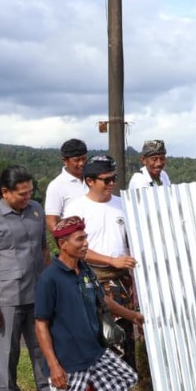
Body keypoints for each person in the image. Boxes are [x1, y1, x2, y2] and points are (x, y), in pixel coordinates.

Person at [35, 216, 142, 391]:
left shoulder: (84, 270)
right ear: (63, 244)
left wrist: (133, 316)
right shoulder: (50, 278)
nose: (86, 244)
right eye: (80, 239)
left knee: (128, 378)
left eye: (85, 238)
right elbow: (41, 325)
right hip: (69, 362)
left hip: (95, 353)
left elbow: (103, 302)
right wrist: (54, 366)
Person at [0, 165, 52, 391]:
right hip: (7, 298)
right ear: (5, 192)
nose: (27, 197)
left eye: (30, 192)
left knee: (42, 348)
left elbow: (44, 251)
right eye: (22, 193)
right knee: (7, 353)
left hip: (37, 293)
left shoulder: (36, 210)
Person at [62, 156, 139, 370]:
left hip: (121, 280)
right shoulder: (76, 209)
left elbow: (132, 242)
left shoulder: (122, 205)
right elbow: (74, 249)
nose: (111, 183)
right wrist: (110, 260)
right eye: (106, 180)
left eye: (114, 178)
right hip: (92, 279)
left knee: (123, 336)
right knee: (99, 336)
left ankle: (126, 385)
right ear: (90, 181)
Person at [44, 139, 89, 232]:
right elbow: (51, 221)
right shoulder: (56, 186)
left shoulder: (94, 180)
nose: (81, 163)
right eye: (76, 160)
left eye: (84, 159)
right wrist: (67, 240)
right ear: (65, 161)